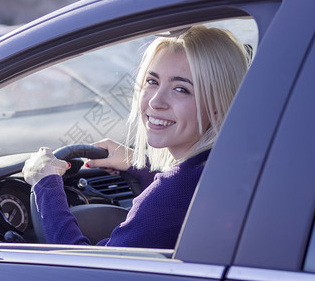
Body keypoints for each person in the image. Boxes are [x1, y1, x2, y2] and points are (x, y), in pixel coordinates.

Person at [22, 25, 249, 249]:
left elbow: (89, 272)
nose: (155, 102)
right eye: (152, 81)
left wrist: (46, 184)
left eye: (181, 89)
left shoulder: (175, 191)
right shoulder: (222, 167)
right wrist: (138, 163)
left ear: (218, 104)